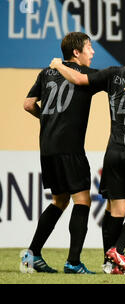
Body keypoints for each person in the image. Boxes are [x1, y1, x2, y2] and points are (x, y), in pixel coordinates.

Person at [50, 31, 125, 274]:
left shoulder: (113, 73)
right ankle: (118, 250)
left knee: (116, 209)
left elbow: (78, 79)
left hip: (114, 153)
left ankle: (110, 265)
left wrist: (56, 64)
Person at [22, 32, 98, 274]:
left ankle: (32, 255)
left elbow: (27, 104)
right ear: (76, 52)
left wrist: (47, 119)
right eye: (89, 47)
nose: (93, 52)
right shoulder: (85, 75)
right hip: (70, 147)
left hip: (48, 147)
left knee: (60, 200)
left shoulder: (47, 72)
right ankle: (73, 262)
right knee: (82, 200)